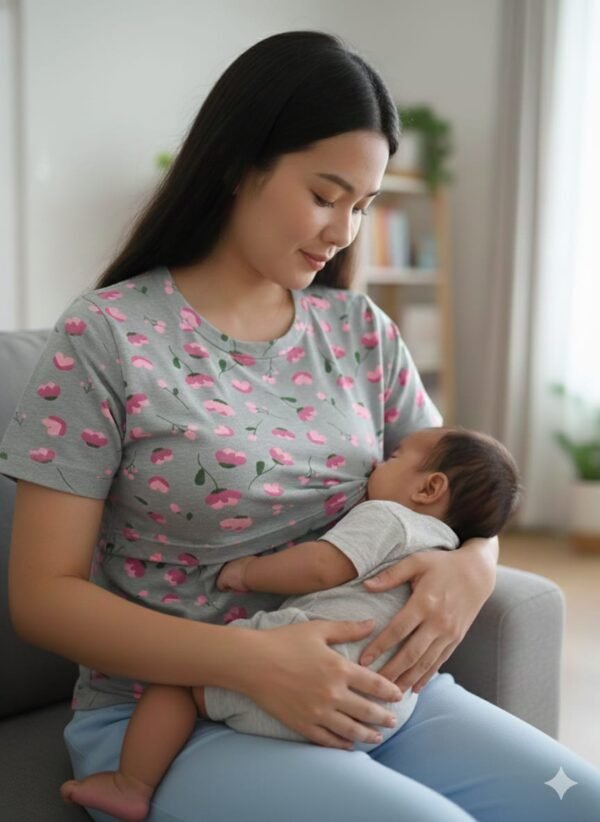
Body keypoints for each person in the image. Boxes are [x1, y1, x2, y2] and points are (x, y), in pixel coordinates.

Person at [2, 29, 599, 822]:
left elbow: (452, 487)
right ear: (239, 165)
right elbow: (43, 596)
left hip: (364, 692)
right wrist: (249, 661)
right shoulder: (108, 336)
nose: (345, 231)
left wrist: (473, 567)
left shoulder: (358, 329)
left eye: (364, 205)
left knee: (579, 801)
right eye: (325, 195)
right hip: (170, 717)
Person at [58, 425, 522, 820]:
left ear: (428, 489)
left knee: (177, 686)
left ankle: (132, 784)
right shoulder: (444, 546)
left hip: (313, 670)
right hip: (382, 709)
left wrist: (246, 572)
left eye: (395, 456)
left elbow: (322, 566)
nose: (379, 462)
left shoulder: (388, 518)